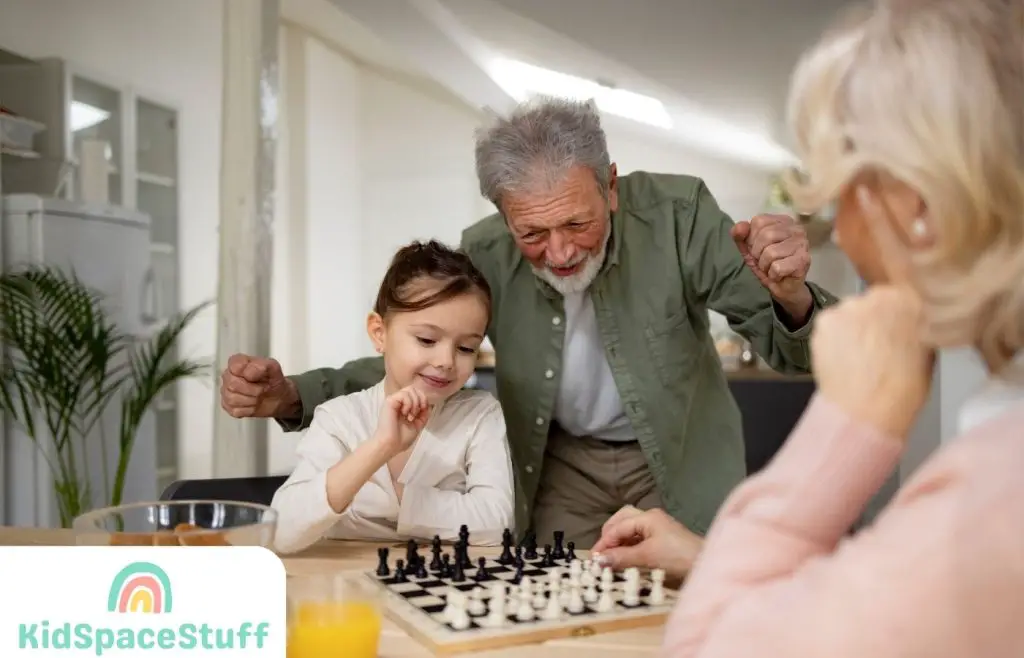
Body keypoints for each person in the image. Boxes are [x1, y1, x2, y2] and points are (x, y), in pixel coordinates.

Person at [591, 0, 1024, 655]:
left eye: (844, 192)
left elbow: (710, 645)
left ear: (921, 206)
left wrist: (847, 421)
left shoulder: (986, 508)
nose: (842, 232)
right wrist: (712, 557)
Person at [222, 96, 840, 550]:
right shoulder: (485, 250)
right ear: (502, 216)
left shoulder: (682, 216)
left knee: (700, 608)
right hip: (560, 464)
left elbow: (800, 353)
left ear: (612, 186)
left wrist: (790, 295)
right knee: (559, 609)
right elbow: (418, 357)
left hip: (680, 455)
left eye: (577, 224)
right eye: (533, 234)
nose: (561, 251)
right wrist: (295, 393)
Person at [269, 240, 515, 554]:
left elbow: (497, 523)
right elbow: (283, 530)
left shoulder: (480, 415)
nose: (446, 361)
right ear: (379, 333)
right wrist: (380, 447)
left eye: (466, 348)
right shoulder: (339, 418)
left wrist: (392, 496)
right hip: (344, 586)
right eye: (427, 340)